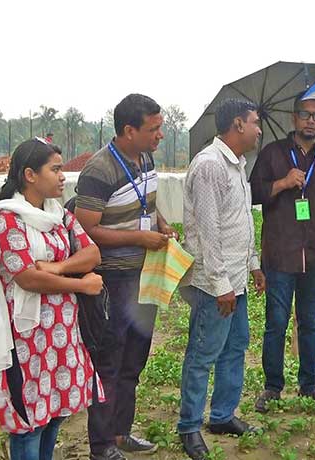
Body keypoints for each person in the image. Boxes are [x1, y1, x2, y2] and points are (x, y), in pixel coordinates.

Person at [0, 138, 104, 460]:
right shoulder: (6, 220)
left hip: (62, 335)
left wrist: (58, 265)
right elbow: (28, 278)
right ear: (30, 174)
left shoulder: (58, 215)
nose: (63, 176)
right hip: (26, 338)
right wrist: (80, 285)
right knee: (29, 422)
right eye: (55, 169)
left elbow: (92, 253)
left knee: (54, 413)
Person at [75, 94, 175, 460]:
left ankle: (120, 433)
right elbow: (85, 230)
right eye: (154, 128)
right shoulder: (99, 170)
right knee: (109, 361)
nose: (160, 135)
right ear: (128, 130)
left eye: (161, 127)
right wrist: (138, 237)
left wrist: (161, 223)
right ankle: (100, 446)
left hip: (144, 276)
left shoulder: (146, 158)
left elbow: (146, 202)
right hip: (113, 280)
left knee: (135, 357)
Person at [177, 98, 266, 460]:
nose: (259, 129)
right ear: (238, 125)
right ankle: (189, 427)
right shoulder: (210, 166)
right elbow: (207, 234)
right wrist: (221, 285)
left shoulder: (237, 167)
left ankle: (223, 415)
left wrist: (254, 264)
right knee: (202, 353)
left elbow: (239, 225)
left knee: (234, 348)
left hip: (236, 279)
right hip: (215, 284)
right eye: (255, 122)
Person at [249, 94, 315, 412]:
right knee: (276, 322)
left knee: (310, 322)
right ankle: (272, 387)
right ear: (294, 118)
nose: (311, 121)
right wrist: (283, 182)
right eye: (305, 114)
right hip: (279, 254)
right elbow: (253, 193)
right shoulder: (272, 154)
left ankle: (309, 385)